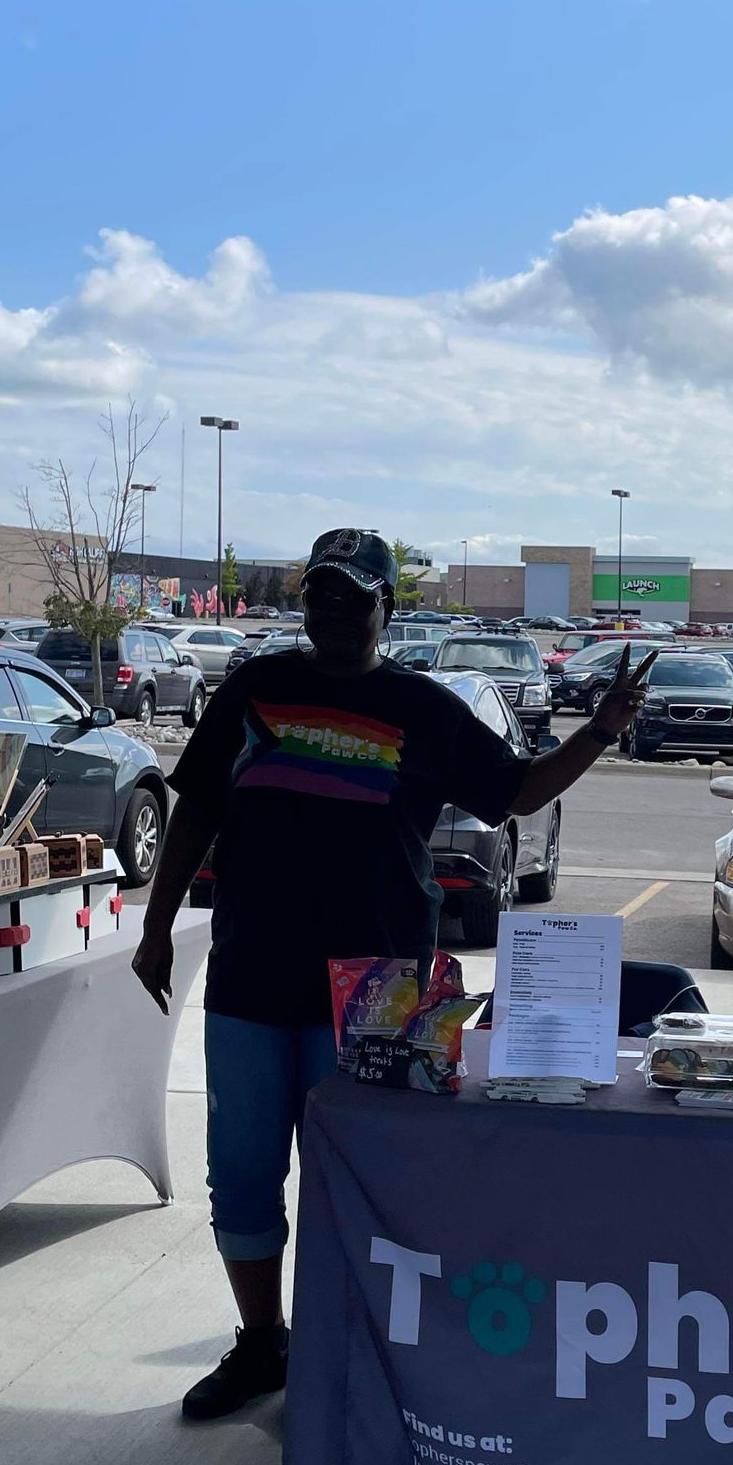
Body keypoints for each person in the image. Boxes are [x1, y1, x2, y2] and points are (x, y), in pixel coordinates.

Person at [134, 528, 653, 1419]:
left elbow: (518, 791)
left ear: (385, 609)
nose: (332, 611)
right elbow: (195, 815)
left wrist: (600, 731)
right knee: (245, 1175)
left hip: (378, 991)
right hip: (253, 973)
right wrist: (154, 929)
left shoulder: (422, 706)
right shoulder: (257, 690)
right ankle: (262, 1346)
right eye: (319, 595)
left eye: (352, 597)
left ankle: (353, 1352)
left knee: (363, 1176)